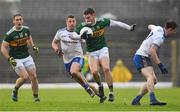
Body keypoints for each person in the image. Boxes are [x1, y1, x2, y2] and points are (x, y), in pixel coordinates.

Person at [75, 8, 136, 103]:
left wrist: (129, 27)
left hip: (102, 49)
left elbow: (116, 23)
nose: (86, 20)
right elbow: (74, 36)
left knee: (106, 69)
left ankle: (111, 92)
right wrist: (81, 38)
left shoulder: (102, 22)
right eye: (85, 18)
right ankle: (100, 86)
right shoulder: (82, 27)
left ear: (93, 15)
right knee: (94, 72)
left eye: (88, 17)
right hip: (91, 52)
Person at [131, 21, 178, 105]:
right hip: (141, 56)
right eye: (174, 30)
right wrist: (160, 64)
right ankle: (152, 99)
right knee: (150, 77)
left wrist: (153, 29)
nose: (174, 32)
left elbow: (150, 25)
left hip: (143, 56)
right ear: (170, 29)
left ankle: (136, 100)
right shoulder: (159, 37)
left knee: (154, 81)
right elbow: (152, 51)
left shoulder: (158, 28)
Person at [52, 15, 99, 98]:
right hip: (67, 61)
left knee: (74, 72)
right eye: (70, 21)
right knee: (81, 79)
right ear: (66, 23)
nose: (72, 23)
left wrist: (89, 36)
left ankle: (87, 88)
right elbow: (54, 43)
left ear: (75, 22)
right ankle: (98, 93)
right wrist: (56, 49)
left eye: (73, 21)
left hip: (78, 57)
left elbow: (87, 40)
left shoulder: (79, 32)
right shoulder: (60, 32)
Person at [1, 14, 40, 102]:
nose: (19, 21)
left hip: (26, 56)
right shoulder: (9, 34)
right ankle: (15, 89)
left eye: (20, 19)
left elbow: (29, 37)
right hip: (16, 58)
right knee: (25, 77)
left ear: (22, 20)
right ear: (13, 21)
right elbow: (3, 47)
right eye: (17, 20)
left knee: (34, 76)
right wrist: (9, 58)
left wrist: (33, 46)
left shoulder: (26, 29)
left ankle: (36, 97)